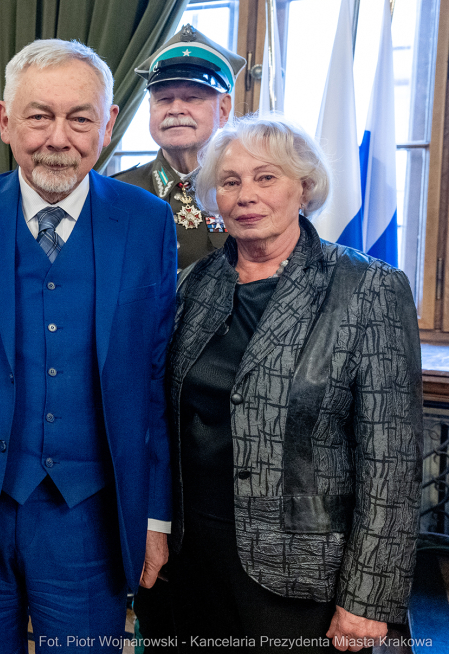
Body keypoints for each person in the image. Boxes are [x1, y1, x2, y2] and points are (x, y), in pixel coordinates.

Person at [0, 38, 176, 653]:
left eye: (80, 118)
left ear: (109, 125)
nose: (58, 137)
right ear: (5, 121)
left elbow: (154, 386)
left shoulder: (147, 222)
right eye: (39, 115)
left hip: (89, 518)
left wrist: (153, 517)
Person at [167, 115, 420, 652]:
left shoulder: (367, 287)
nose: (245, 196)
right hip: (193, 561)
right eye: (230, 182)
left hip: (305, 576)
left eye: (266, 177)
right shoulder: (193, 286)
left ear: (303, 188)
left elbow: (392, 459)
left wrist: (368, 598)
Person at [114, 24, 245, 269]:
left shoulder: (248, 192)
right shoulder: (117, 193)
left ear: (224, 109)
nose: (175, 109)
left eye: (192, 97)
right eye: (163, 99)